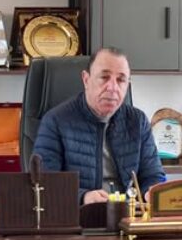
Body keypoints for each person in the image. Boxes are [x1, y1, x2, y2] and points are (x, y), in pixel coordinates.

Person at [33, 47, 165, 205]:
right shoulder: (55, 121)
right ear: (86, 80)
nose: (112, 87)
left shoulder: (138, 121)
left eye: (121, 80)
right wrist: (83, 197)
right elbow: (45, 183)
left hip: (128, 213)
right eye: (104, 77)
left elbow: (153, 176)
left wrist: (152, 192)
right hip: (80, 214)